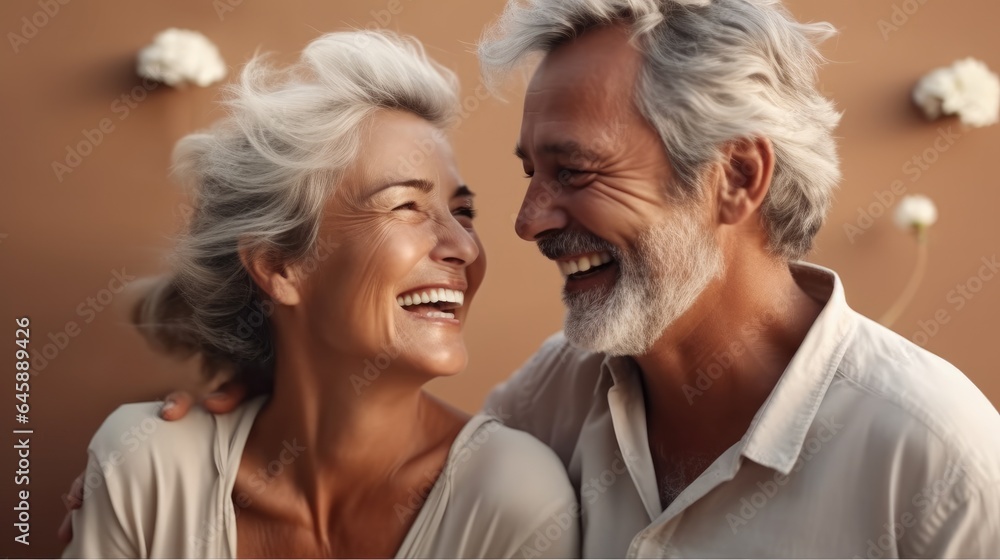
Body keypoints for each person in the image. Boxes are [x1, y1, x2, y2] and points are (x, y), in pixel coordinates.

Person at [64, 1, 1000, 557]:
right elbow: (389, 449)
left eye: (576, 172)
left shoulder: (938, 461)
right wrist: (241, 397)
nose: (524, 224)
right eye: (528, 174)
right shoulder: (560, 393)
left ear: (737, 178)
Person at [60, 30, 578, 558]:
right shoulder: (146, 467)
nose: (464, 247)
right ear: (279, 266)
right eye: (405, 206)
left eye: (463, 212)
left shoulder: (512, 497)